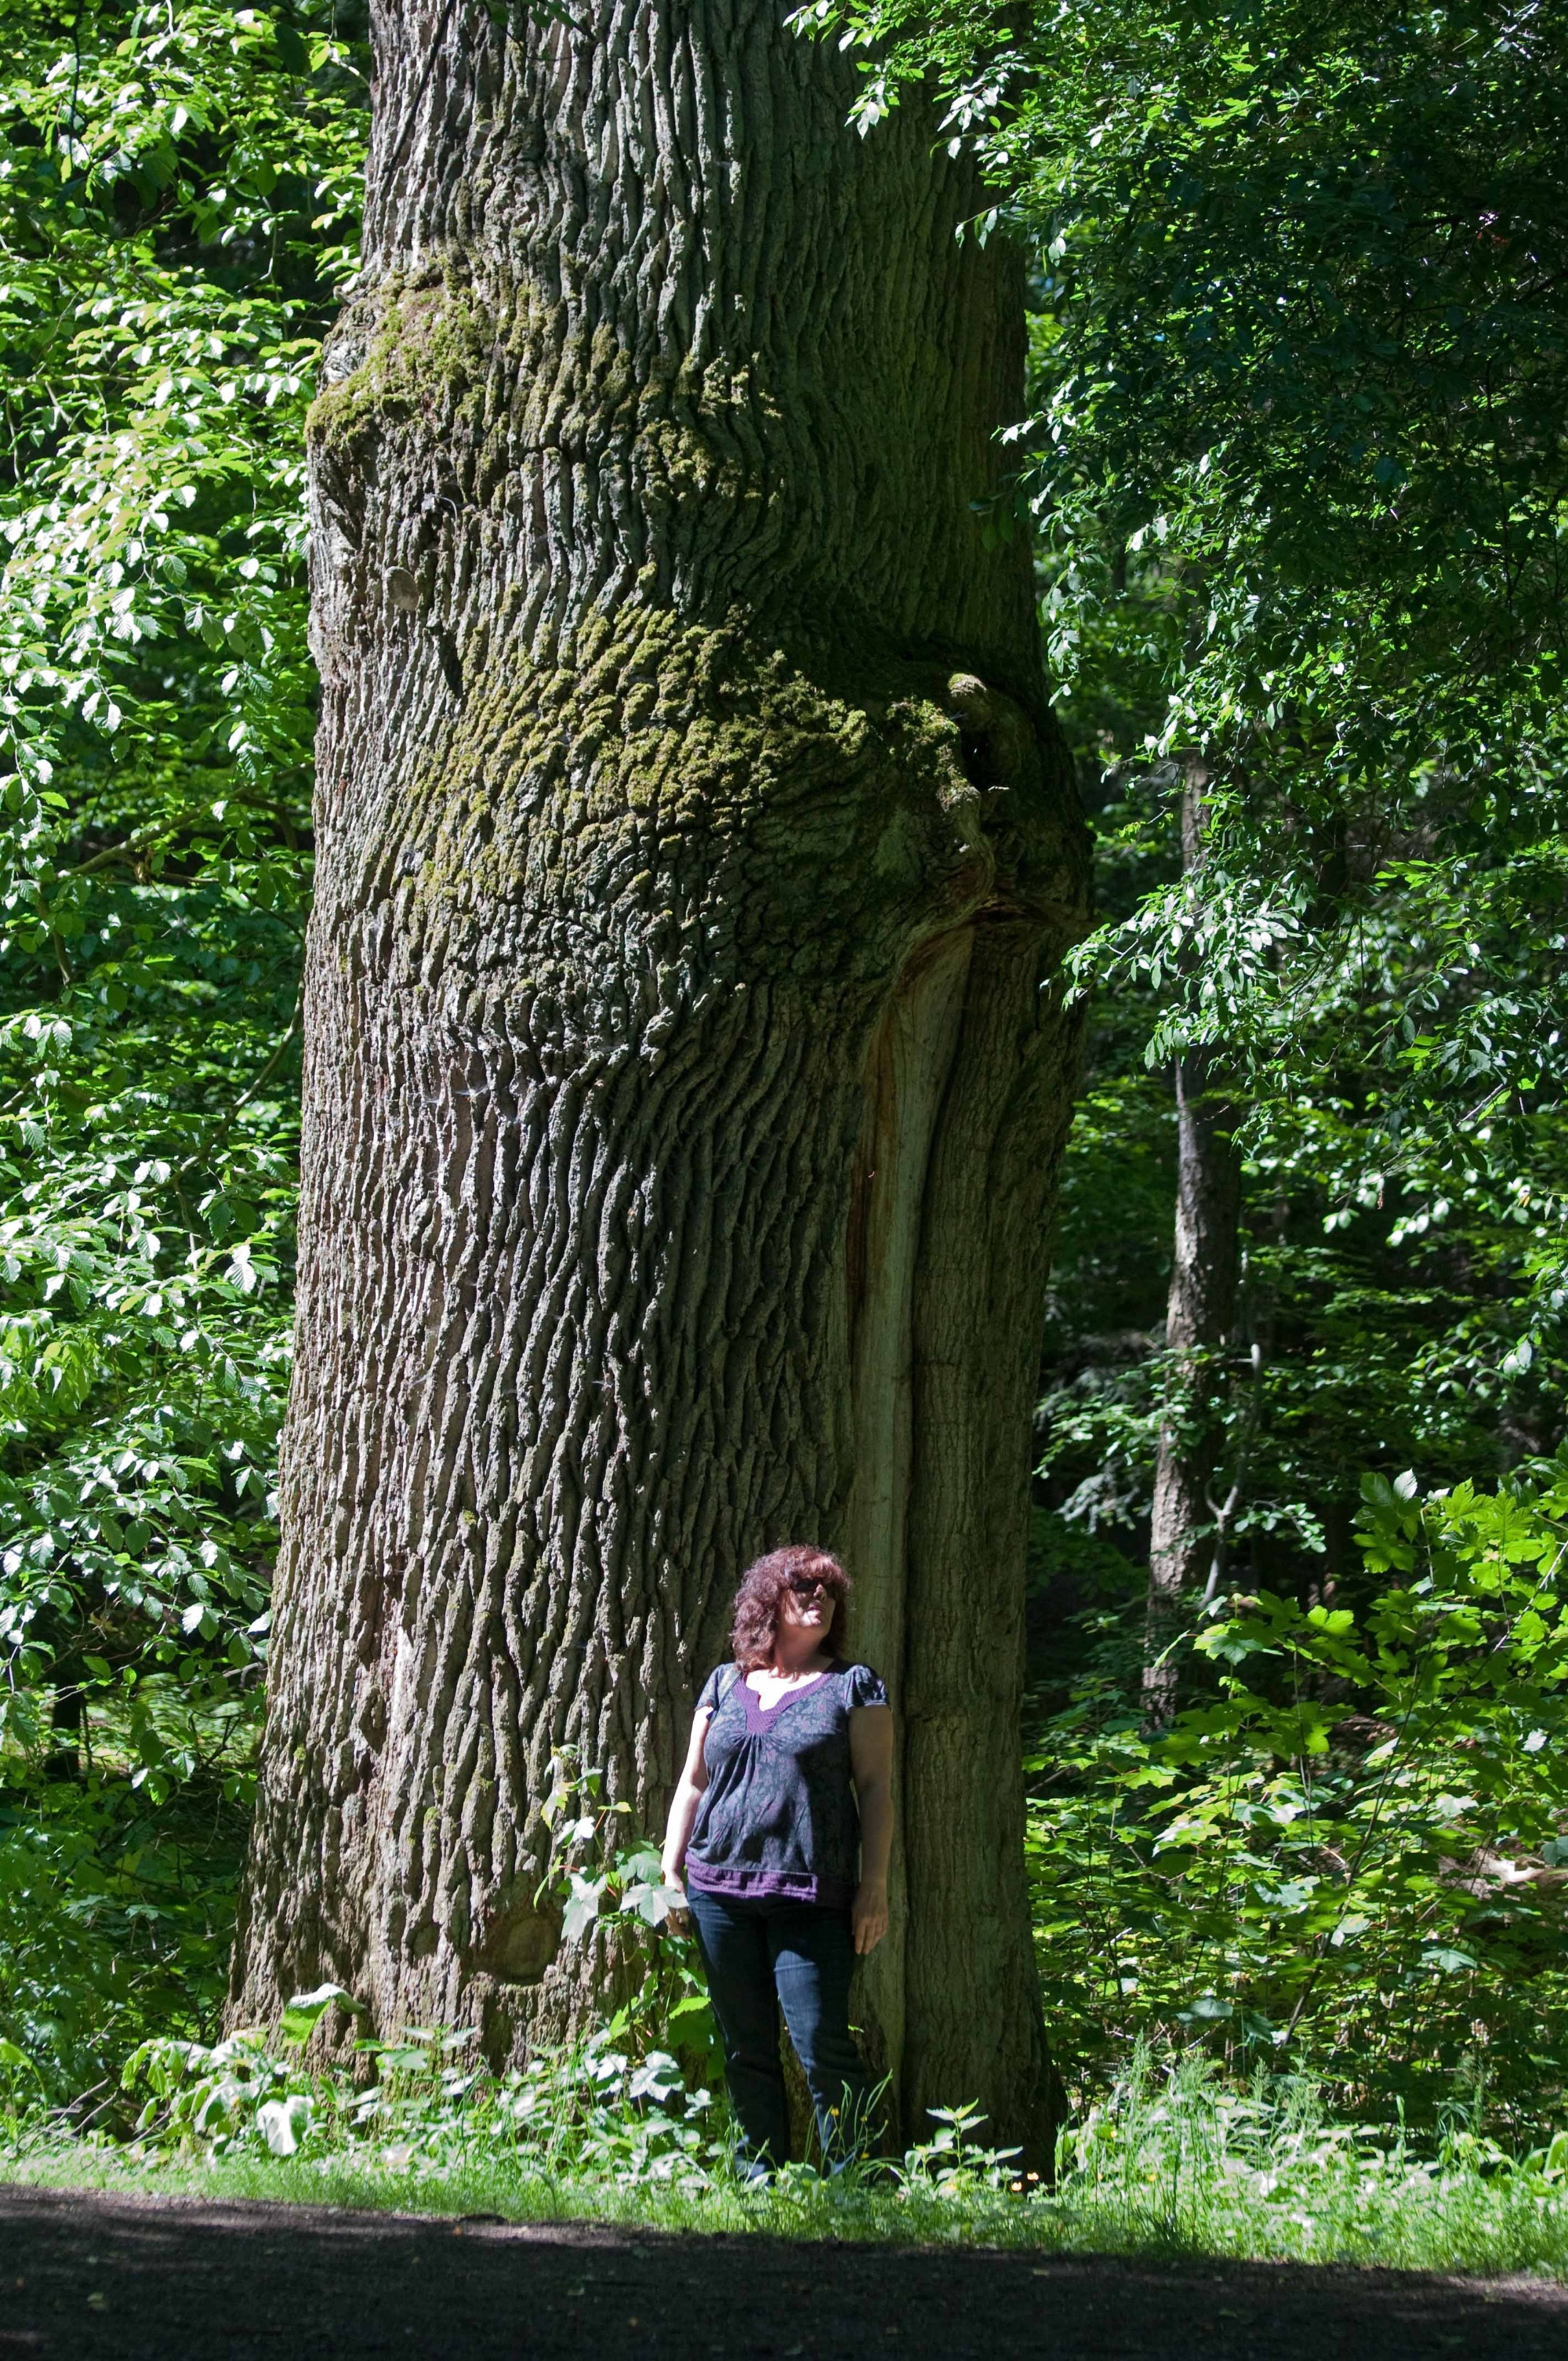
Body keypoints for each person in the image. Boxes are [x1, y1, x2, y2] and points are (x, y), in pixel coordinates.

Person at [660, 1544, 894, 2176]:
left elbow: (875, 1787)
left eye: (828, 1588)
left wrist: (876, 1884)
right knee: (745, 2048)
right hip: (717, 1890)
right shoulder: (724, 1683)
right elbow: (694, 1782)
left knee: (822, 2044)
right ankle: (760, 2179)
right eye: (802, 1584)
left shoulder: (855, 1684)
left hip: (813, 1893)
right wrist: (670, 1870)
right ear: (771, 1598)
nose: (818, 1596)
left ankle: (854, 2184)